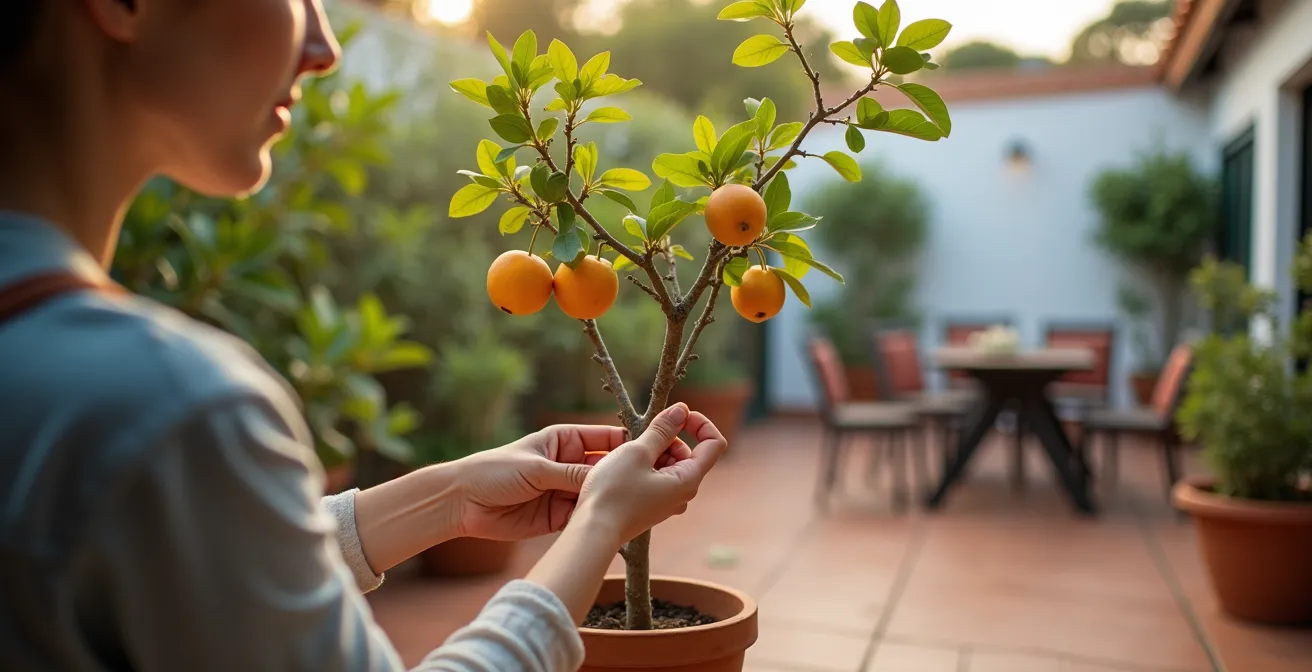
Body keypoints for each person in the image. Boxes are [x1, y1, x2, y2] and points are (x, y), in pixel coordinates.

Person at [0, 1, 727, 670]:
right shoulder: (173, 412)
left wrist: (450, 497)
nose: (323, 46)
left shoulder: (71, 383)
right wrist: (598, 525)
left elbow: (201, 568)